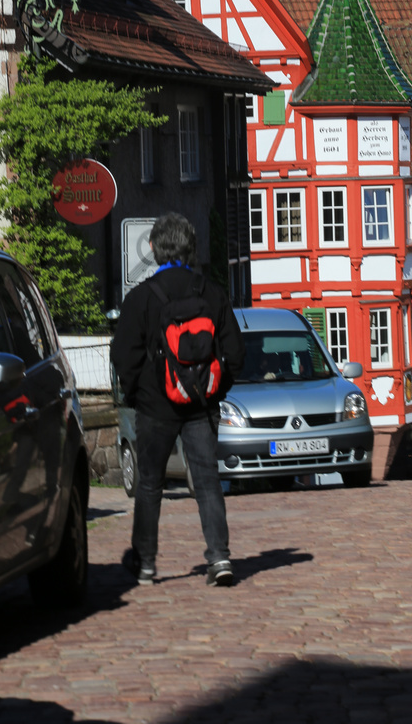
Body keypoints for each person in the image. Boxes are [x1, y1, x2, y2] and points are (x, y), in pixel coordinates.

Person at [111, 212, 244, 588]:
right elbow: (235, 352)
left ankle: (146, 564)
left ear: (154, 248)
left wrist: (139, 393)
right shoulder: (211, 292)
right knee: (206, 481)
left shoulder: (140, 299)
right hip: (201, 407)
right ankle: (219, 558)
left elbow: (123, 354)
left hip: (156, 407)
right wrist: (214, 391)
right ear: (190, 248)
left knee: (150, 483)